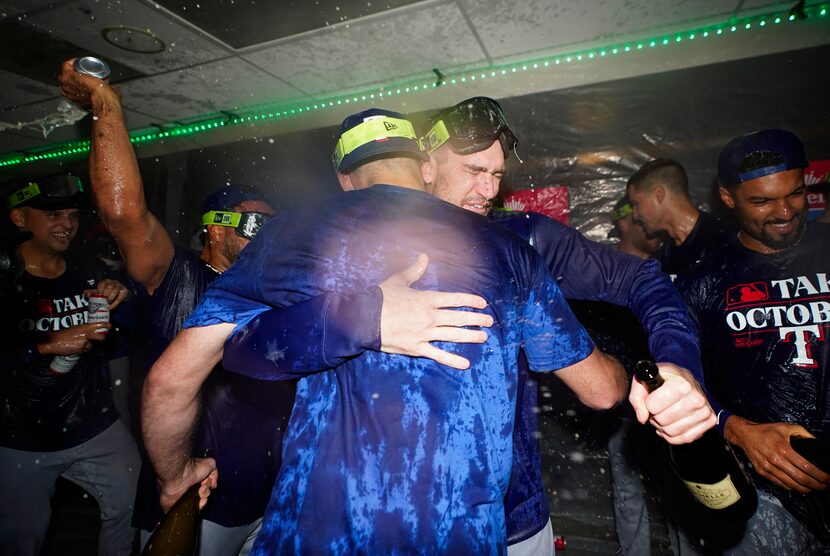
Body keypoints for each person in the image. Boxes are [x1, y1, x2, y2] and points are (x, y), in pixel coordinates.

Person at [146, 108, 631, 554]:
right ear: (425, 167)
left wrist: (177, 476)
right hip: (459, 538)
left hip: (317, 535)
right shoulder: (510, 253)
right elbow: (603, 392)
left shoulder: (290, 233)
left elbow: (171, 379)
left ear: (345, 178)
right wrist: (638, 372)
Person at [419, 97, 715, 554]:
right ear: (426, 167)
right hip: (401, 516)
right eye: (473, 170)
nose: (487, 189)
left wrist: (678, 363)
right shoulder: (368, 243)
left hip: (513, 514)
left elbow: (641, 278)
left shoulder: (523, 239)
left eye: (496, 175)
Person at [57, 59, 295, 555]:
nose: (265, 237)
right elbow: (124, 213)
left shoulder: (273, 292)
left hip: (273, 499)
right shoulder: (182, 277)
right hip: (200, 499)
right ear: (216, 227)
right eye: (253, 226)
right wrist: (105, 103)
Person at [677, 128, 830, 553]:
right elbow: (677, 385)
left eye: (794, 194)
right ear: (728, 198)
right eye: (761, 201)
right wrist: (736, 429)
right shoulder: (702, 283)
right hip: (763, 490)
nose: (783, 212)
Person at [0, 175, 138, 556]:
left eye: (73, 215)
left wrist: (121, 293)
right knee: (21, 539)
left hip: (93, 424)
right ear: (19, 218)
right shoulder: (5, 278)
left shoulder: (85, 266)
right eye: (54, 215)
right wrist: (43, 345)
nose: (68, 225)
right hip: (20, 437)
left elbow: (130, 324)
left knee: (132, 507)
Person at [626, 158, 733, 278]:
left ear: (659, 195)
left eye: (636, 204)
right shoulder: (662, 260)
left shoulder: (726, 238)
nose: (635, 215)